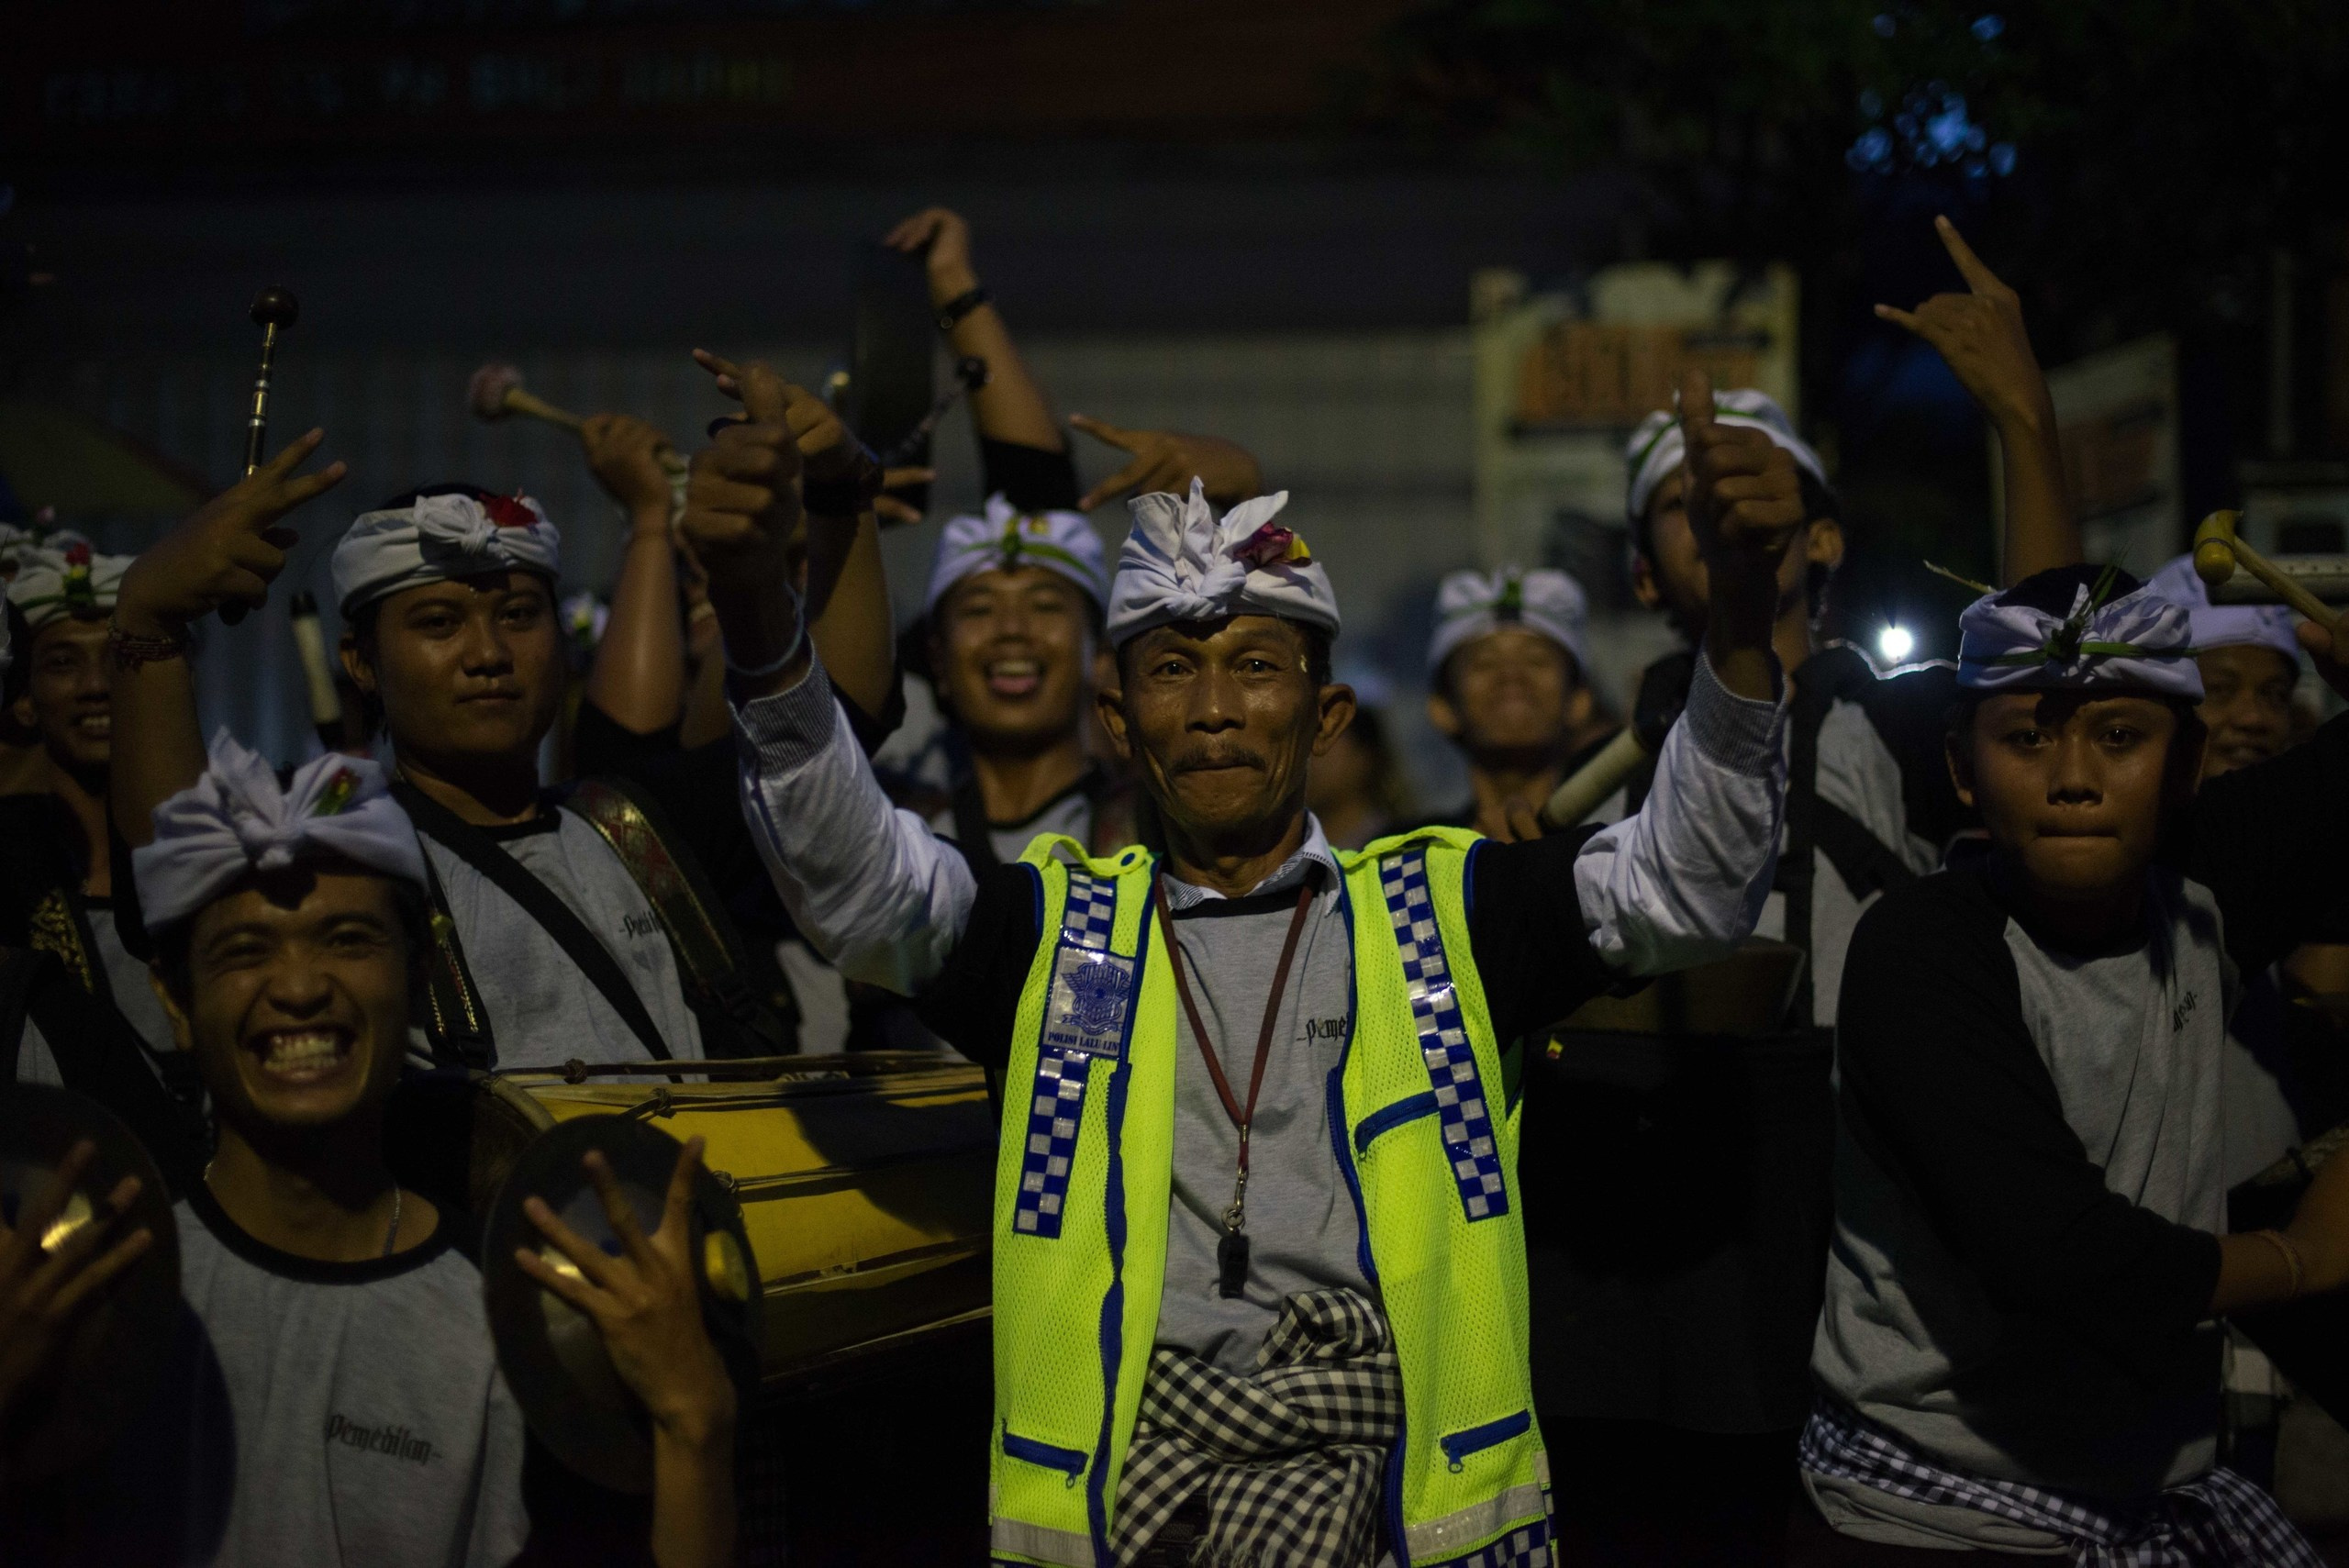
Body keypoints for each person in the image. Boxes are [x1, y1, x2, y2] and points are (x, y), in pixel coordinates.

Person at [707, 358, 1799, 1566]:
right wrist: (763, 622)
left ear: (1326, 716)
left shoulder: (1457, 908)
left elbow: (1693, 885)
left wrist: (1743, 613)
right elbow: (855, 890)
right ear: (1120, 723)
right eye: (1173, 668)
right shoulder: (1049, 934)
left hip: (1408, 1519)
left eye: (1257, 666)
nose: (1216, 707)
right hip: (1129, 1522)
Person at [1526, 221, 2078, 1565]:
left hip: (1857, 1177)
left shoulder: (1898, 727)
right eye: (1685, 494)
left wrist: (2021, 420)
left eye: (1760, 482)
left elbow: (2057, 669)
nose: (1725, 503)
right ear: (1649, 568)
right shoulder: (1602, 767)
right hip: (1652, 1212)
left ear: (1821, 536)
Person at [10, 733, 739, 1564]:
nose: (300, 987)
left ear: (419, 969)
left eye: (348, 940)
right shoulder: (92, 1301)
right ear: (176, 1001)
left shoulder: (525, 1321)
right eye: (244, 951)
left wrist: (694, 1423)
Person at [1792, 562, 2349, 1564]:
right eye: (2028, 736)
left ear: (2184, 766)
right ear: (1964, 767)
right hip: (1932, 1519)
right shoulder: (1921, 951)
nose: (2075, 773)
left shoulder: (2199, 892)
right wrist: (2301, 1256)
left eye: (2121, 735)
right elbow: (2063, 1252)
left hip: (2147, 1496)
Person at [105, 384, 892, 1073]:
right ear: (361, 662)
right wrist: (148, 622)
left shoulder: (641, 826)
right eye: (440, 622)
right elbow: (175, 876)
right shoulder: (331, 846)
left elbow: (838, 721)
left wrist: (840, 496)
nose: (488, 654)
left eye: (518, 615)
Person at [1, 540, 210, 1168]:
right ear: (24, 699)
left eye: (116, 660)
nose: (97, 688)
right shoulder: (9, 863)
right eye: (63, 662)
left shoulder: (224, 842)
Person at [1422, 567, 1607, 841]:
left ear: (1579, 701)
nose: (1511, 676)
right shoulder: (1415, 855)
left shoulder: (1611, 849)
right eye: (1485, 663)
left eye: (1536, 661)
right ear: (1443, 709)